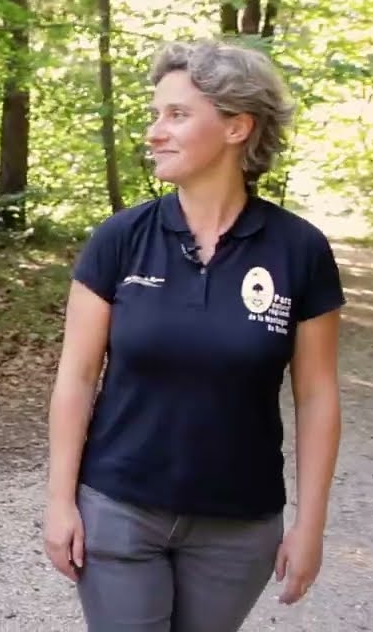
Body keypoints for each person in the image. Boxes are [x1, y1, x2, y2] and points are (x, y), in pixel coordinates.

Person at [43, 39, 344, 632]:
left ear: (237, 127)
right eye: (155, 114)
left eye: (177, 115)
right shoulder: (120, 239)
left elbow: (317, 396)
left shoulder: (300, 250)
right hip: (118, 509)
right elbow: (75, 378)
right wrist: (59, 501)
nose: (155, 132)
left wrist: (310, 526)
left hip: (240, 525)